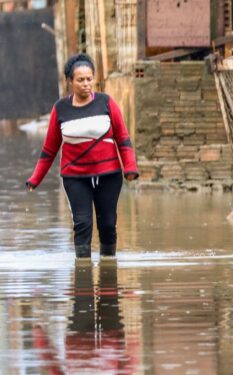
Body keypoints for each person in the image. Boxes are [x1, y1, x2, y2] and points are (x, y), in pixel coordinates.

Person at [26, 53, 139, 259]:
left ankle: (108, 269)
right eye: (80, 80)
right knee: (82, 223)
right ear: (70, 81)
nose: (86, 84)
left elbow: (123, 138)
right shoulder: (60, 109)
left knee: (107, 223)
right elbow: (49, 150)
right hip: (75, 176)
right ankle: (83, 276)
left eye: (89, 79)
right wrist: (35, 179)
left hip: (109, 175)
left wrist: (130, 167)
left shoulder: (106, 102)